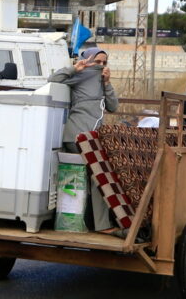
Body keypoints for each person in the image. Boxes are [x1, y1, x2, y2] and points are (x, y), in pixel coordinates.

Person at [48, 47, 118, 233]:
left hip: (92, 137)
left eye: (104, 62)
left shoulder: (101, 80)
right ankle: (102, 225)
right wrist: (74, 68)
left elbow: (113, 106)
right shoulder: (81, 74)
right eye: (97, 62)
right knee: (99, 176)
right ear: (87, 61)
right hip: (77, 136)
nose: (101, 66)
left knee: (86, 179)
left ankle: (80, 222)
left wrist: (107, 83)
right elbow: (52, 80)